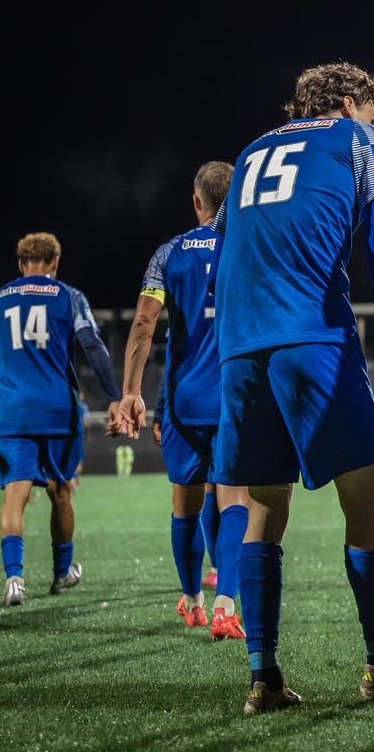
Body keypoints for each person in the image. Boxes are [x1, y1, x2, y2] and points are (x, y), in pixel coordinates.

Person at [210, 61, 374, 716]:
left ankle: (263, 677)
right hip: (309, 333)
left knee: (264, 507)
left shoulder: (251, 151)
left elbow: (225, 244)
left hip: (240, 341)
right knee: (362, 500)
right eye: (372, 108)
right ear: (348, 101)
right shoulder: (358, 137)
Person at [112, 161, 246, 641]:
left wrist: (132, 393)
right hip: (235, 395)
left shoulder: (168, 254)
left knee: (185, 503)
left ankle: (192, 601)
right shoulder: (248, 245)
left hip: (184, 401)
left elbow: (144, 323)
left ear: (196, 201)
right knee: (235, 498)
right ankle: (227, 606)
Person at [1, 232, 121, 606]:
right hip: (57, 408)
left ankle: (14, 578)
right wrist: (114, 396)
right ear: (54, 263)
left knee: (15, 494)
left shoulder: (2, 297)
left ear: (21, 264)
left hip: (13, 410)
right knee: (61, 490)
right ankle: (61, 573)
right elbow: (92, 346)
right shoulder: (69, 296)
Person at [153, 365, 219, 589]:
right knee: (233, 492)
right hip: (230, 397)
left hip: (190, 405)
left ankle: (198, 591)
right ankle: (227, 587)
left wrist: (158, 409)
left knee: (198, 491)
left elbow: (172, 361)